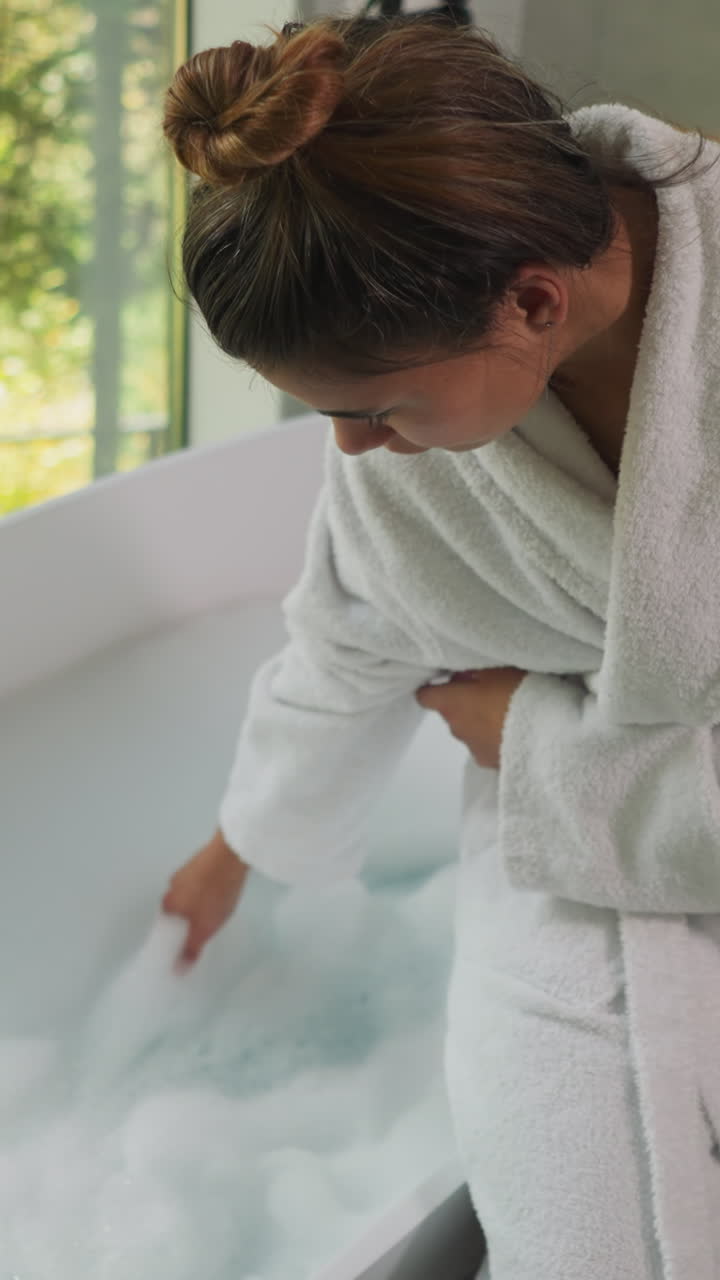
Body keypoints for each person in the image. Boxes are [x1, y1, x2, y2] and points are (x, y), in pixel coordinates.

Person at [159, 11, 720, 1277]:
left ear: (531, 300)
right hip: (570, 852)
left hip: (577, 782)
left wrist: (534, 743)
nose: (351, 449)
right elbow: (354, 624)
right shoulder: (430, 382)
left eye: (376, 406)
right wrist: (241, 844)